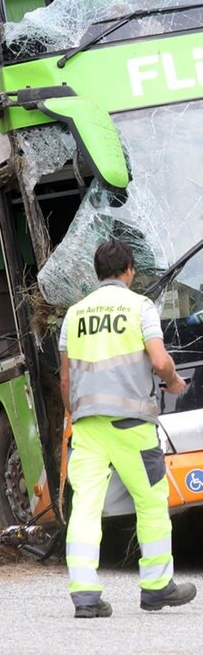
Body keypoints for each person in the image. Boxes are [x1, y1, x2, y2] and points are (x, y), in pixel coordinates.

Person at [59, 238, 197, 619]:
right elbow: (159, 359)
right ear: (130, 271)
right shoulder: (140, 306)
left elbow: (65, 381)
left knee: (85, 506)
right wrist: (173, 381)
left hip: (86, 426)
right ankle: (156, 586)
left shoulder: (74, 314)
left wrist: (76, 415)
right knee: (151, 501)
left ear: (97, 273)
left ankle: (85, 594)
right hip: (131, 424)